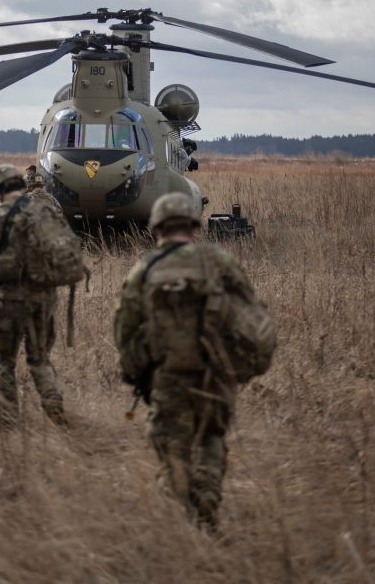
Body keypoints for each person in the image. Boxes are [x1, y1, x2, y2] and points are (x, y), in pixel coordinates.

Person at [113, 192, 274, 531]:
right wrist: (241, 365)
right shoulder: (218, 262)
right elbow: (253, 312)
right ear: (194, 225)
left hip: (168, 376)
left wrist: (136, 373)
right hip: (215, 373)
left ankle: (188, 507)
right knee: (212, 438)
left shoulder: (145, 270)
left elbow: (125, 329)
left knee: (171, 444)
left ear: (157, 227)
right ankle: (207, 500)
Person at [0, 164, 68, 428]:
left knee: (5, 360)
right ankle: (55, 409)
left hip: (12, 299)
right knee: (40, 359)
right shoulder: (45, 212)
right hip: (44, 299)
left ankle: (7, 420)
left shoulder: (0, 216)